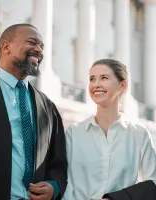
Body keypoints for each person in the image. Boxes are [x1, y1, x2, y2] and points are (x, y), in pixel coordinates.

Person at [0, 23, 67, 200]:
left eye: (42, 47)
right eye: (32, 42)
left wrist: (54, 186)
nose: (39, 50)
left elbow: (58, 163)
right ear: (6, 46)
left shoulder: (47, 106)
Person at [62, 59, 156, 200]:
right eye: (92, 79)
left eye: (104, 78)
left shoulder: (139, 134)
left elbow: (153, 183)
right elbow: (66, 182)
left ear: (122, 86)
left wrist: (115, 198)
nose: (96, 84)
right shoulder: (73, 133)